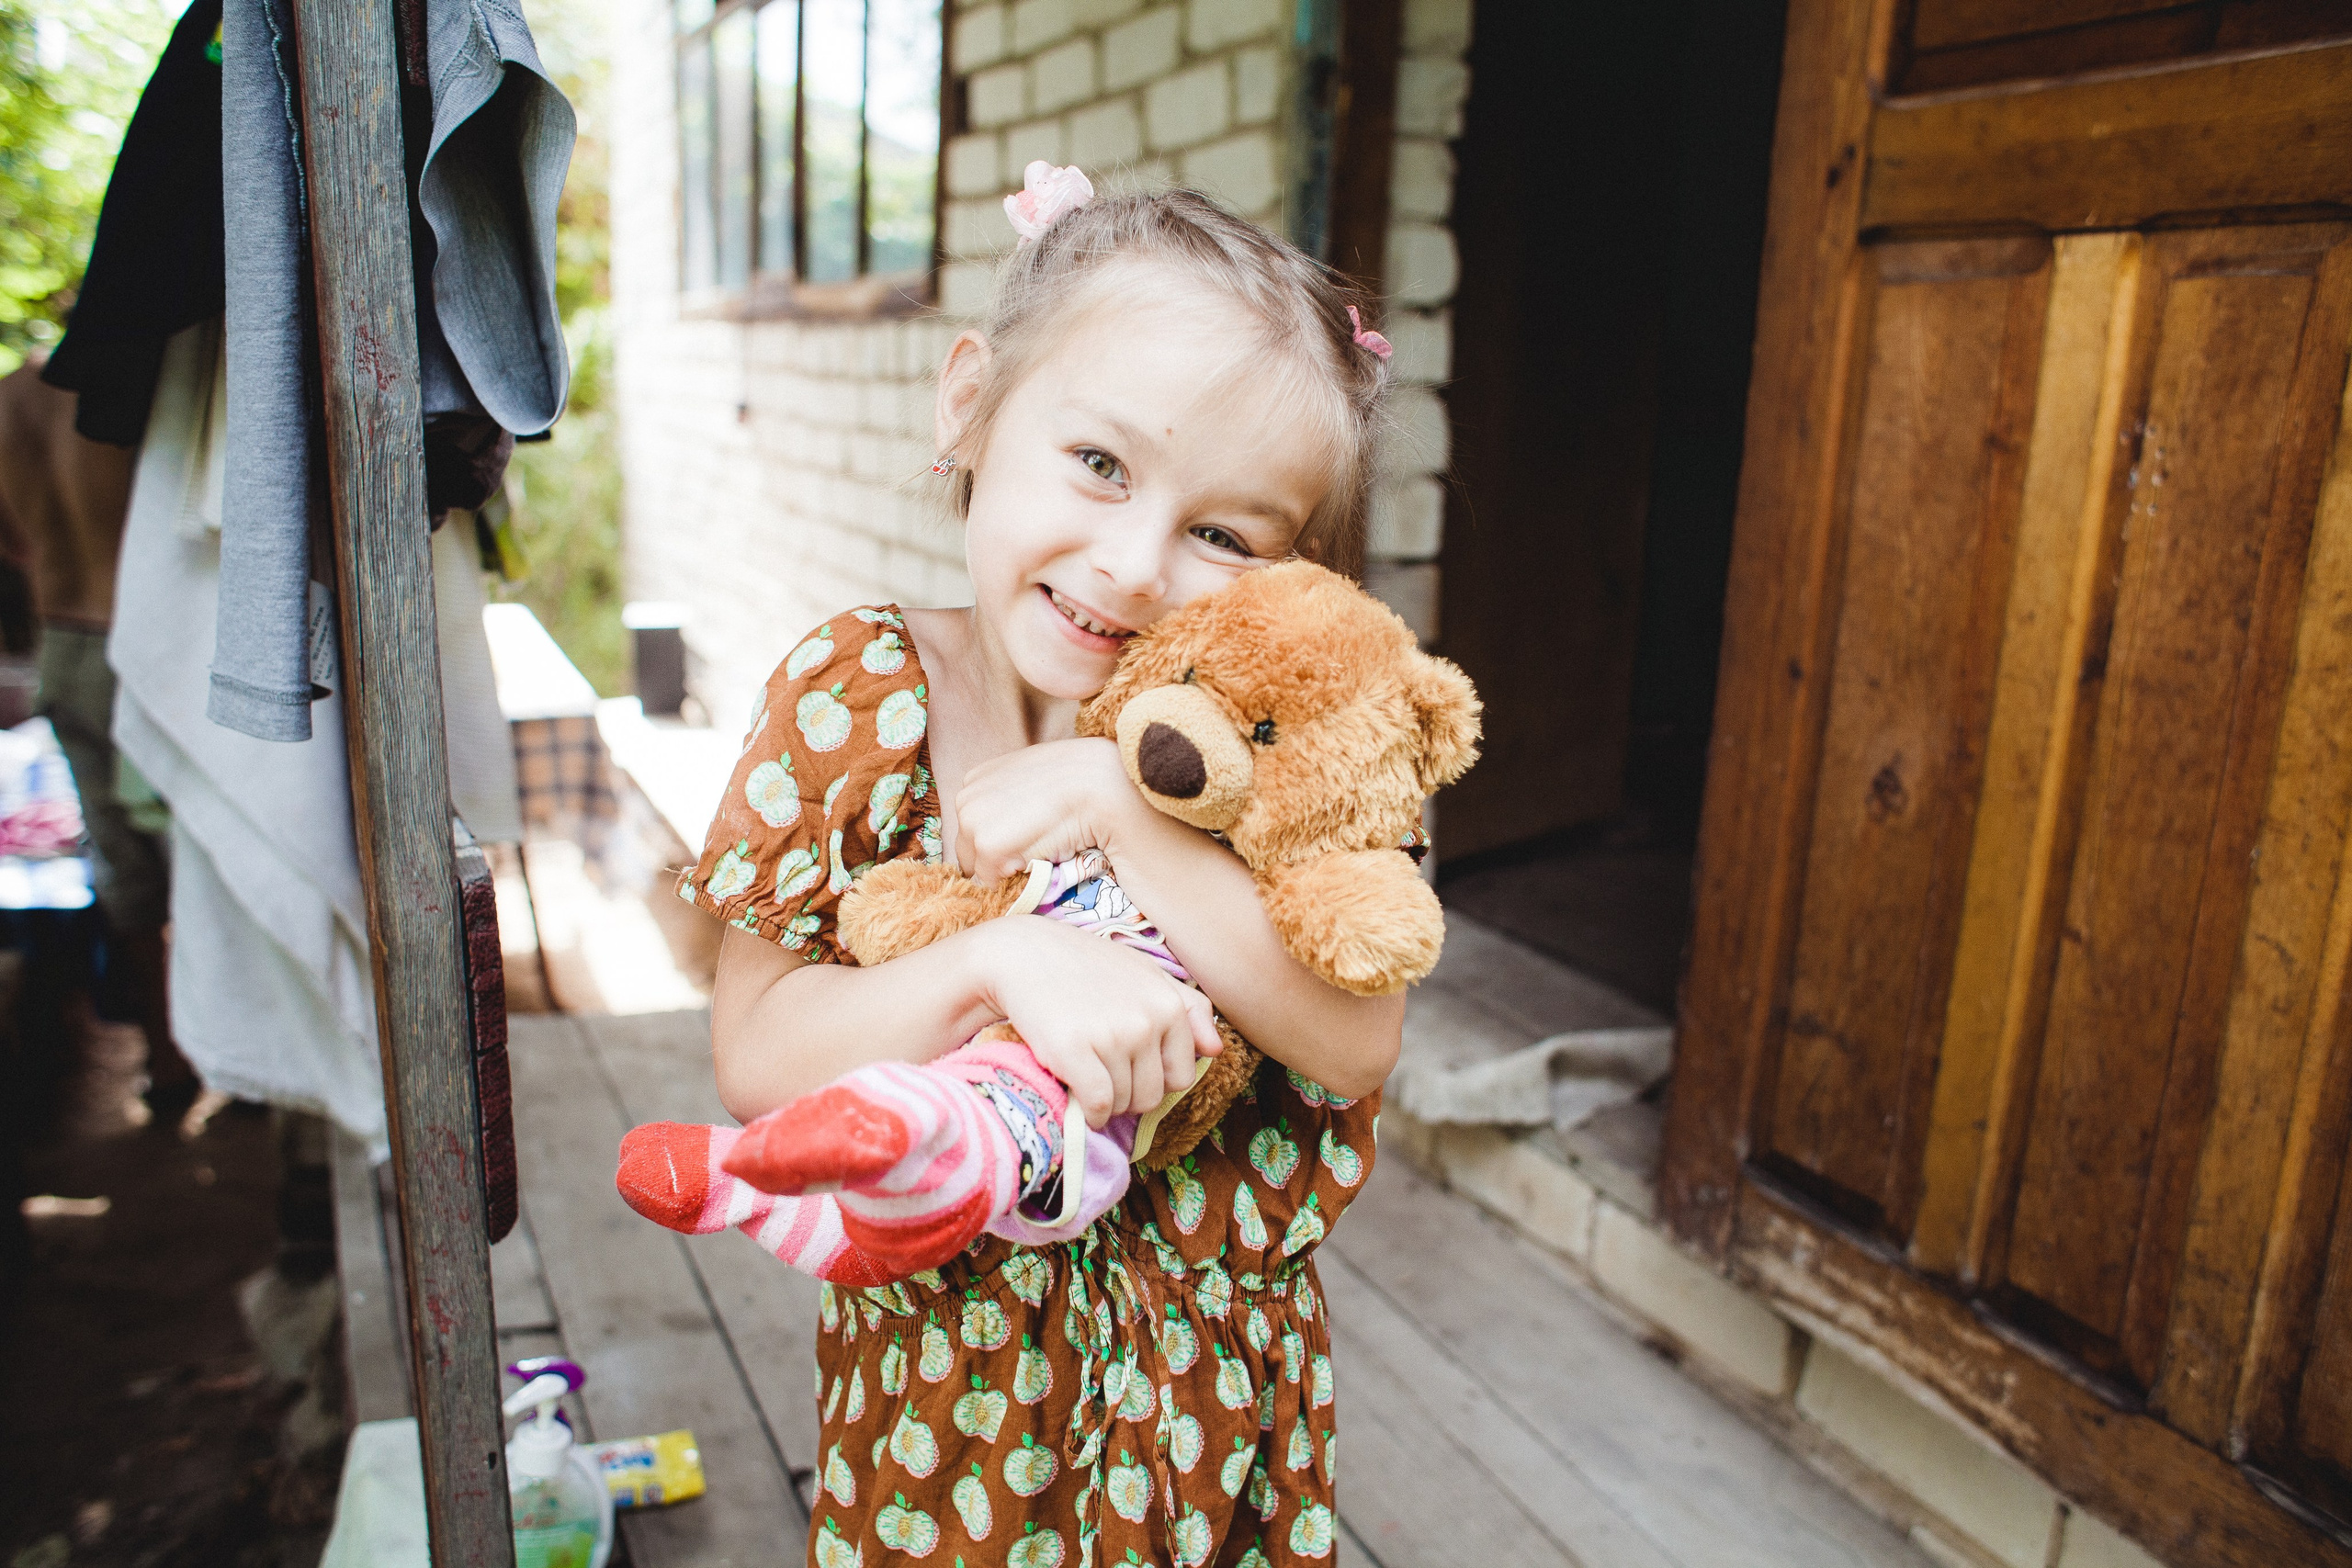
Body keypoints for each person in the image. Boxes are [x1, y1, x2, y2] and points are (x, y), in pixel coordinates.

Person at [675, 166, 1398, 1566]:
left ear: (1296, 575)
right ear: (973, 406)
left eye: (1222, 535)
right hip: (946, 1418)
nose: (1130, 567)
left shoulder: (1268, 753)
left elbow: (1358, 1037)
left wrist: (1117, 811)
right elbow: (758, 1056)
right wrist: (1002, 957)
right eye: (1102, 465)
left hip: (1212, 1410)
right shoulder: (865, 693)